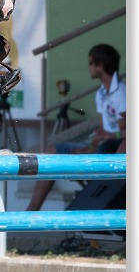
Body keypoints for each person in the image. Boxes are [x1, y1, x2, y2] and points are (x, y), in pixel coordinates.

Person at [26, 44, 126, 211]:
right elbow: (103, 130)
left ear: (100, 66)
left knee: (99, 152)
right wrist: (92, 145)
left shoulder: (121, 93)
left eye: (91, 63)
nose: (89, 67)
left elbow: (128, 131)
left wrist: (108, 138)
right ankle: (33, 208)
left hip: (116, 146)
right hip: (103, 144)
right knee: (53, 150)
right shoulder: (101, 92)